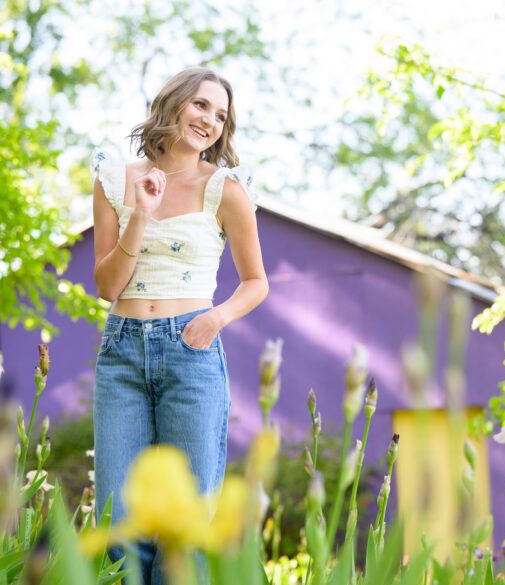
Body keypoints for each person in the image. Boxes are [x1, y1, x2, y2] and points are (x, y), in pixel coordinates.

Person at [90, 66, 269, 585]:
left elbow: (256, 281)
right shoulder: (114, 179)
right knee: (117, 519)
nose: (210, 120)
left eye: (221, 114)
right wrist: (141, 213)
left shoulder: (225, 190)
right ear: (173, 104)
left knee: (186, 522)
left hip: (191, 352)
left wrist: (214, 318)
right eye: (201, 106)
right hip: (121, 351)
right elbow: (106, 285)